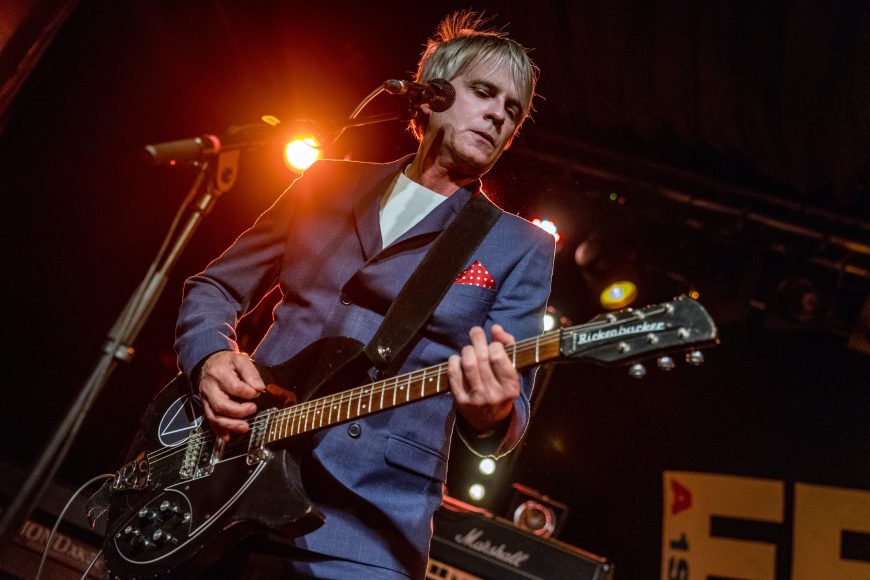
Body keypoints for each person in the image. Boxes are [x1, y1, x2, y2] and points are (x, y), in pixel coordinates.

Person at [174, 10, 555, 579]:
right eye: (484, 92)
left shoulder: (518, 246)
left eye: (513, 110)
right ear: (430, 95)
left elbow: (510, 407)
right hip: (233, 475)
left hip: (367, 527)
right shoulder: (325, 182)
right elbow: (216, 285)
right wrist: (209, 357)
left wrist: (493, 408)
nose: (500, 114)